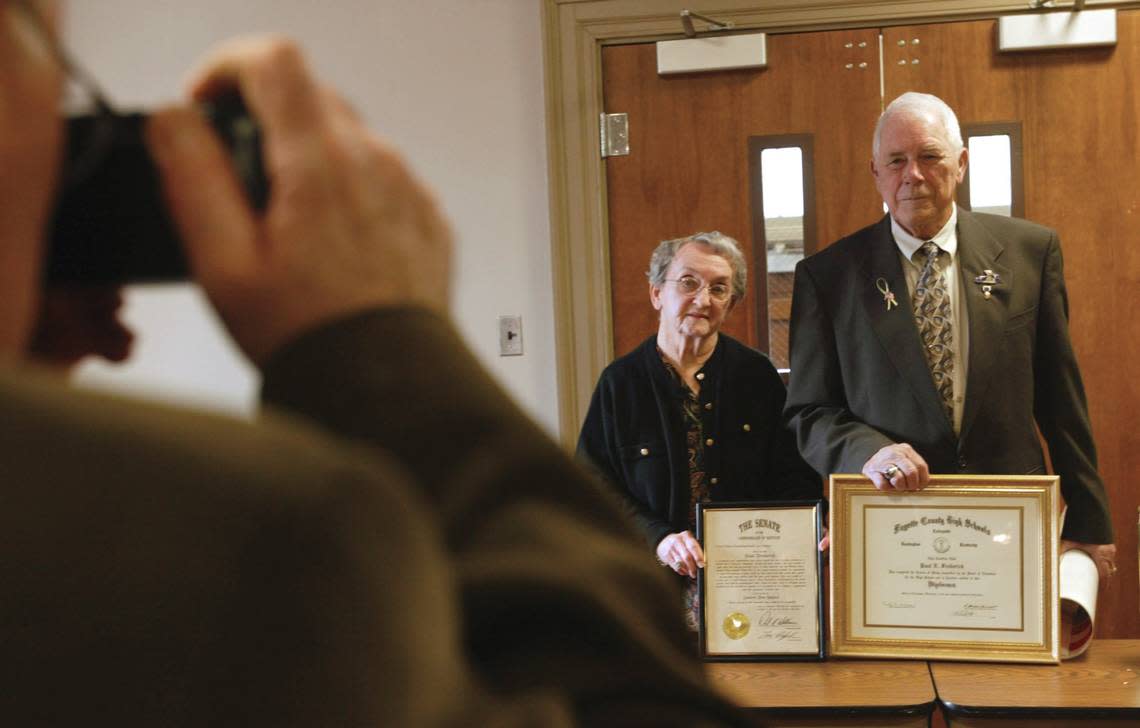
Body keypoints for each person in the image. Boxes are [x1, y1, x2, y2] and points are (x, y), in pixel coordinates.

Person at [1, 3, 751, 725]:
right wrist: (387, 348)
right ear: (656, 291)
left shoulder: (747, 374)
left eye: (720, 287)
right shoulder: (273, 531)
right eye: (64, 78)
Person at [784, 91, 1115, 577]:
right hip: (892, 515)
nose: (912, 175)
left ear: (960, 164)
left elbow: (1061, 399)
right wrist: (869, 453)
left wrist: (1089, 520)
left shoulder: (1030, 253)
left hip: (1009, 514)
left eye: (929, 156)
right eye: (896, 161)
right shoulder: (828, 276)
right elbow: (808, 412)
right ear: (876, 172)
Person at [578, 232, 821, 628]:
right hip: (652, 592)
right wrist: (659, 537)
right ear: (657, 293)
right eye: (688, 282)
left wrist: (796, 540)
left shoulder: (757, 377)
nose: (703, 299)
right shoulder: (620, 383)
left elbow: (795, 476)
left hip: (755, 588)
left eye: (719, 289)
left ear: (731, 304)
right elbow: (594, 484)